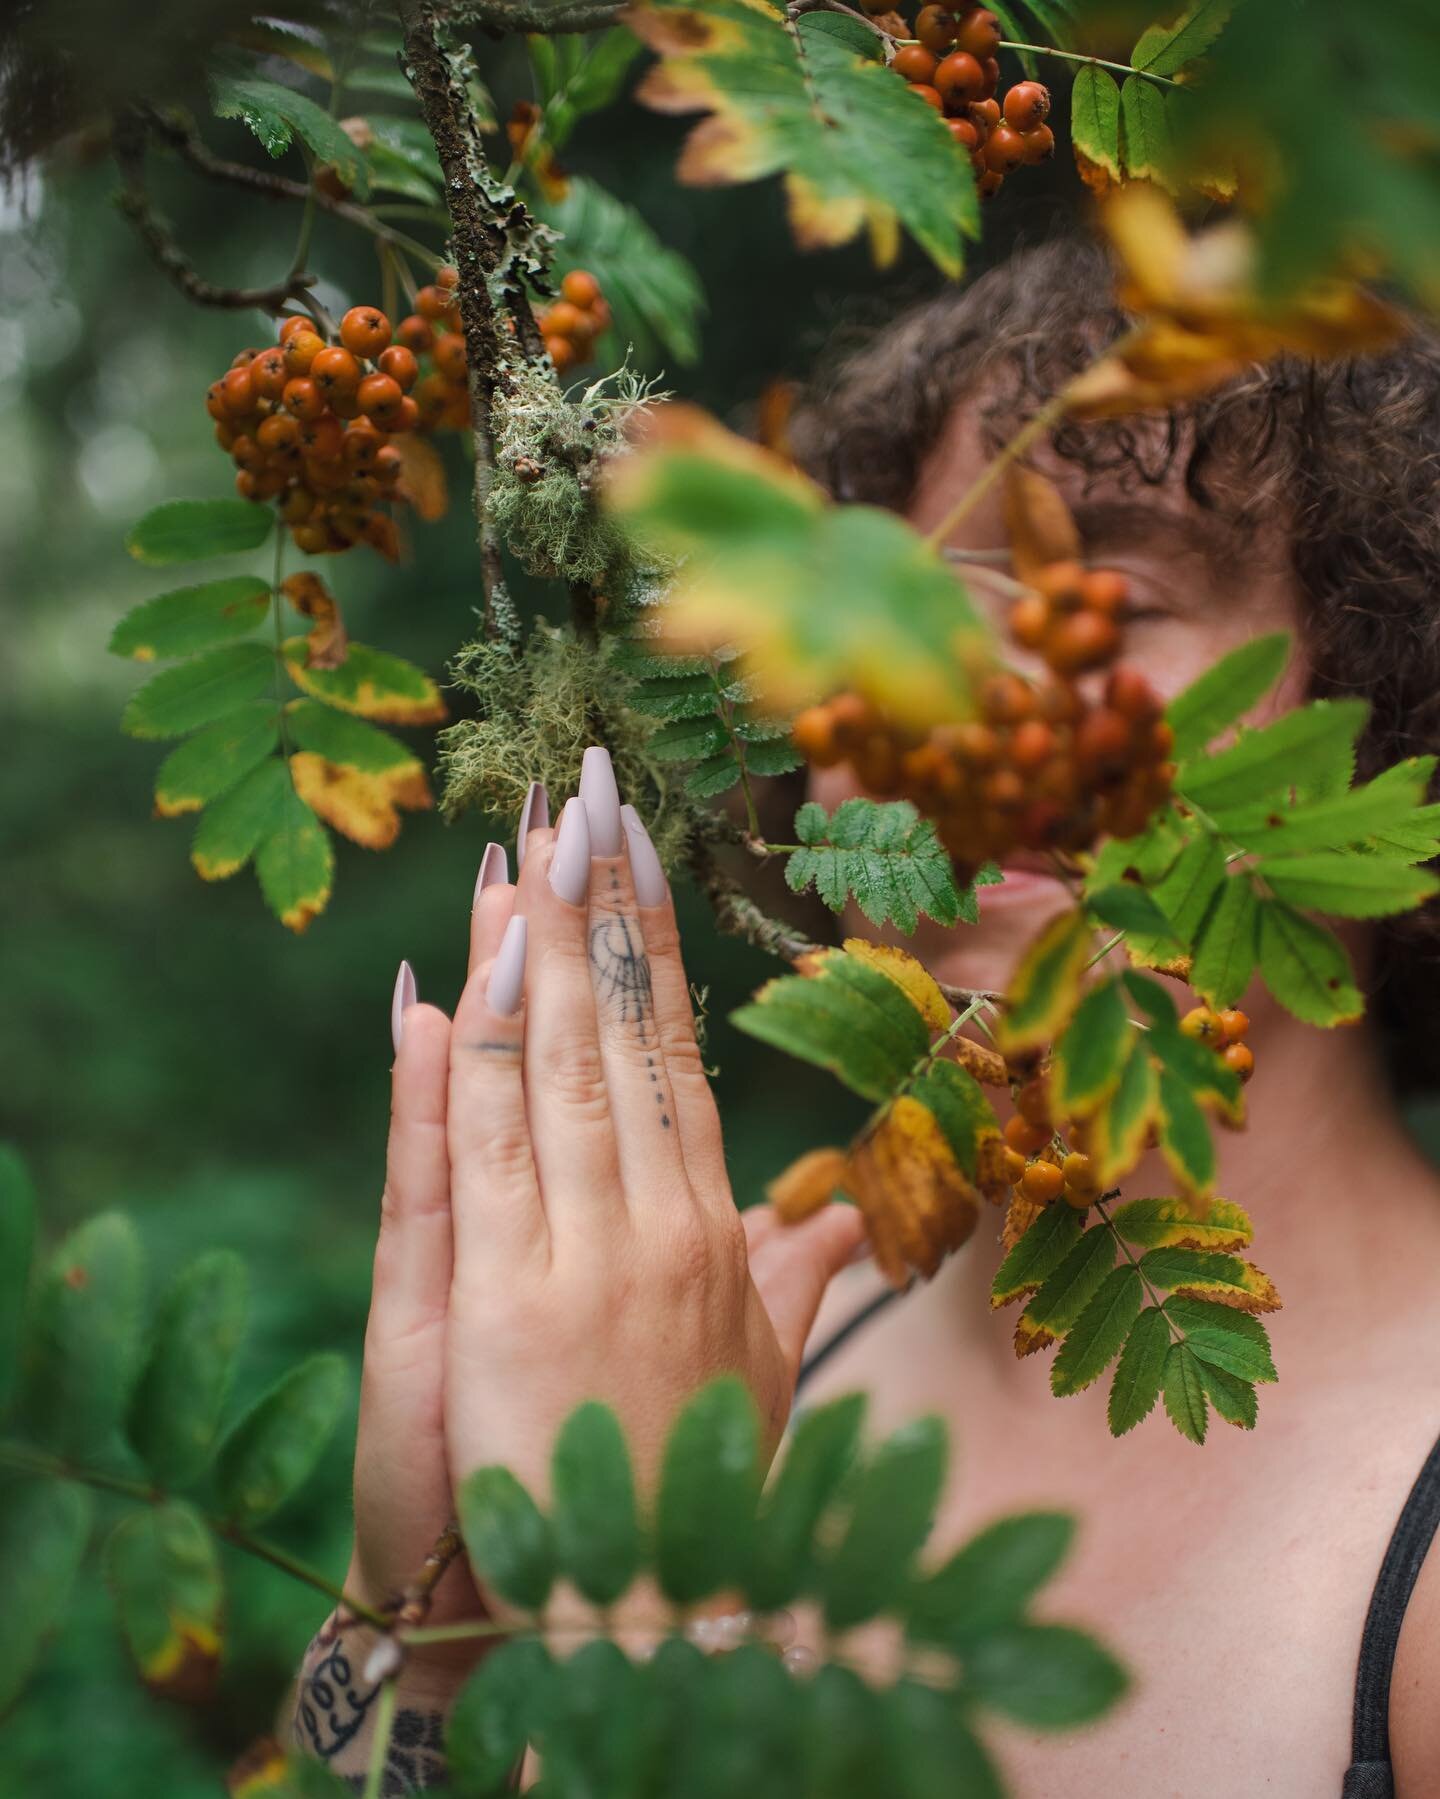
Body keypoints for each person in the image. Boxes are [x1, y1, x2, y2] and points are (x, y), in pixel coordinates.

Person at [288, 234, 1440, 1798]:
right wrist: (432, 1625)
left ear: (1386, 707)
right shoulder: (699, 1344)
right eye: (895, 606)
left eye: (1102, 602)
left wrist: (637, 1617)